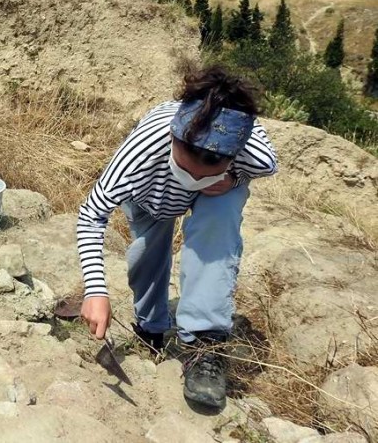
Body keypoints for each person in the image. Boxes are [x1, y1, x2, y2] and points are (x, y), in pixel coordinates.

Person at [76, 66, 278, 411]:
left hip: (218, 195)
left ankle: (204, 344)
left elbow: (267, 165)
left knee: (219, 221)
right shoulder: (142, 150)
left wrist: (231, 178)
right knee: (145, 259)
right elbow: (92, 214)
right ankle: (151, 327)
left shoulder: (250, 150)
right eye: (184, 169)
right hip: (151, 198)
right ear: (174, 138)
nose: (191, 178)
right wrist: (95, 290)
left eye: (203, 174)